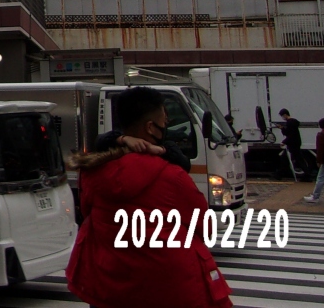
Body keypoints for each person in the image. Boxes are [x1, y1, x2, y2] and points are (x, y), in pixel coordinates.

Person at [66, 87, 233, 308]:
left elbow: (88, 214)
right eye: (165, 121)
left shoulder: (94, 173)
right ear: (150, 127)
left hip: (109, 286)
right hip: (166, 288)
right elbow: (205, 226)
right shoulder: (171, 177)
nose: (167, 125)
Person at [276, 109, 305, 180]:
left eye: (282, 116)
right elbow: (290, 133)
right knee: (293, 159)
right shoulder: (293, 122)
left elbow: (290, 135)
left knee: (290, 159)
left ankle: (279, 174)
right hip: (295, 143)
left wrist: (284, 141)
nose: (282, 118)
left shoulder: (290, 123)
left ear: (285, 115)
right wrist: (282, 128)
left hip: (293, 144)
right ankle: (279, 174)